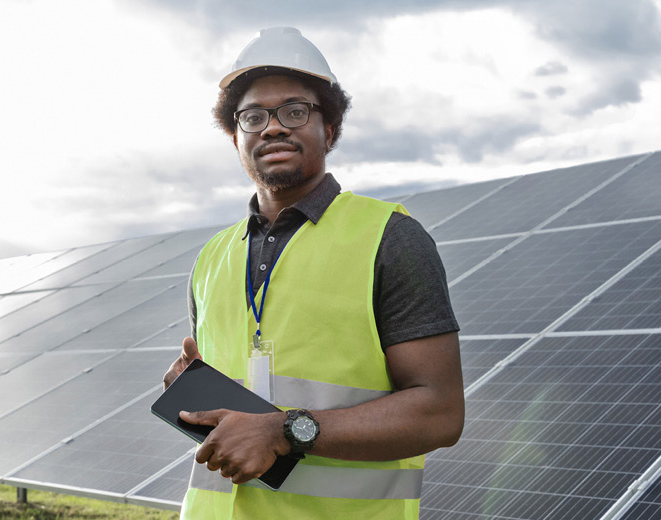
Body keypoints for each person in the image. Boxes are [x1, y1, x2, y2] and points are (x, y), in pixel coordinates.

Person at [161, 27, 464, 519]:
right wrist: (191, 392)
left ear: (330, 129)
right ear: (234, 135)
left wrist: (283, 431)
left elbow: (440, 413)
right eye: (253, 116)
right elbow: (242, 407)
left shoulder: (390, 238)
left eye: (294, 111)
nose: (273, 128)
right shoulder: (211, 257)